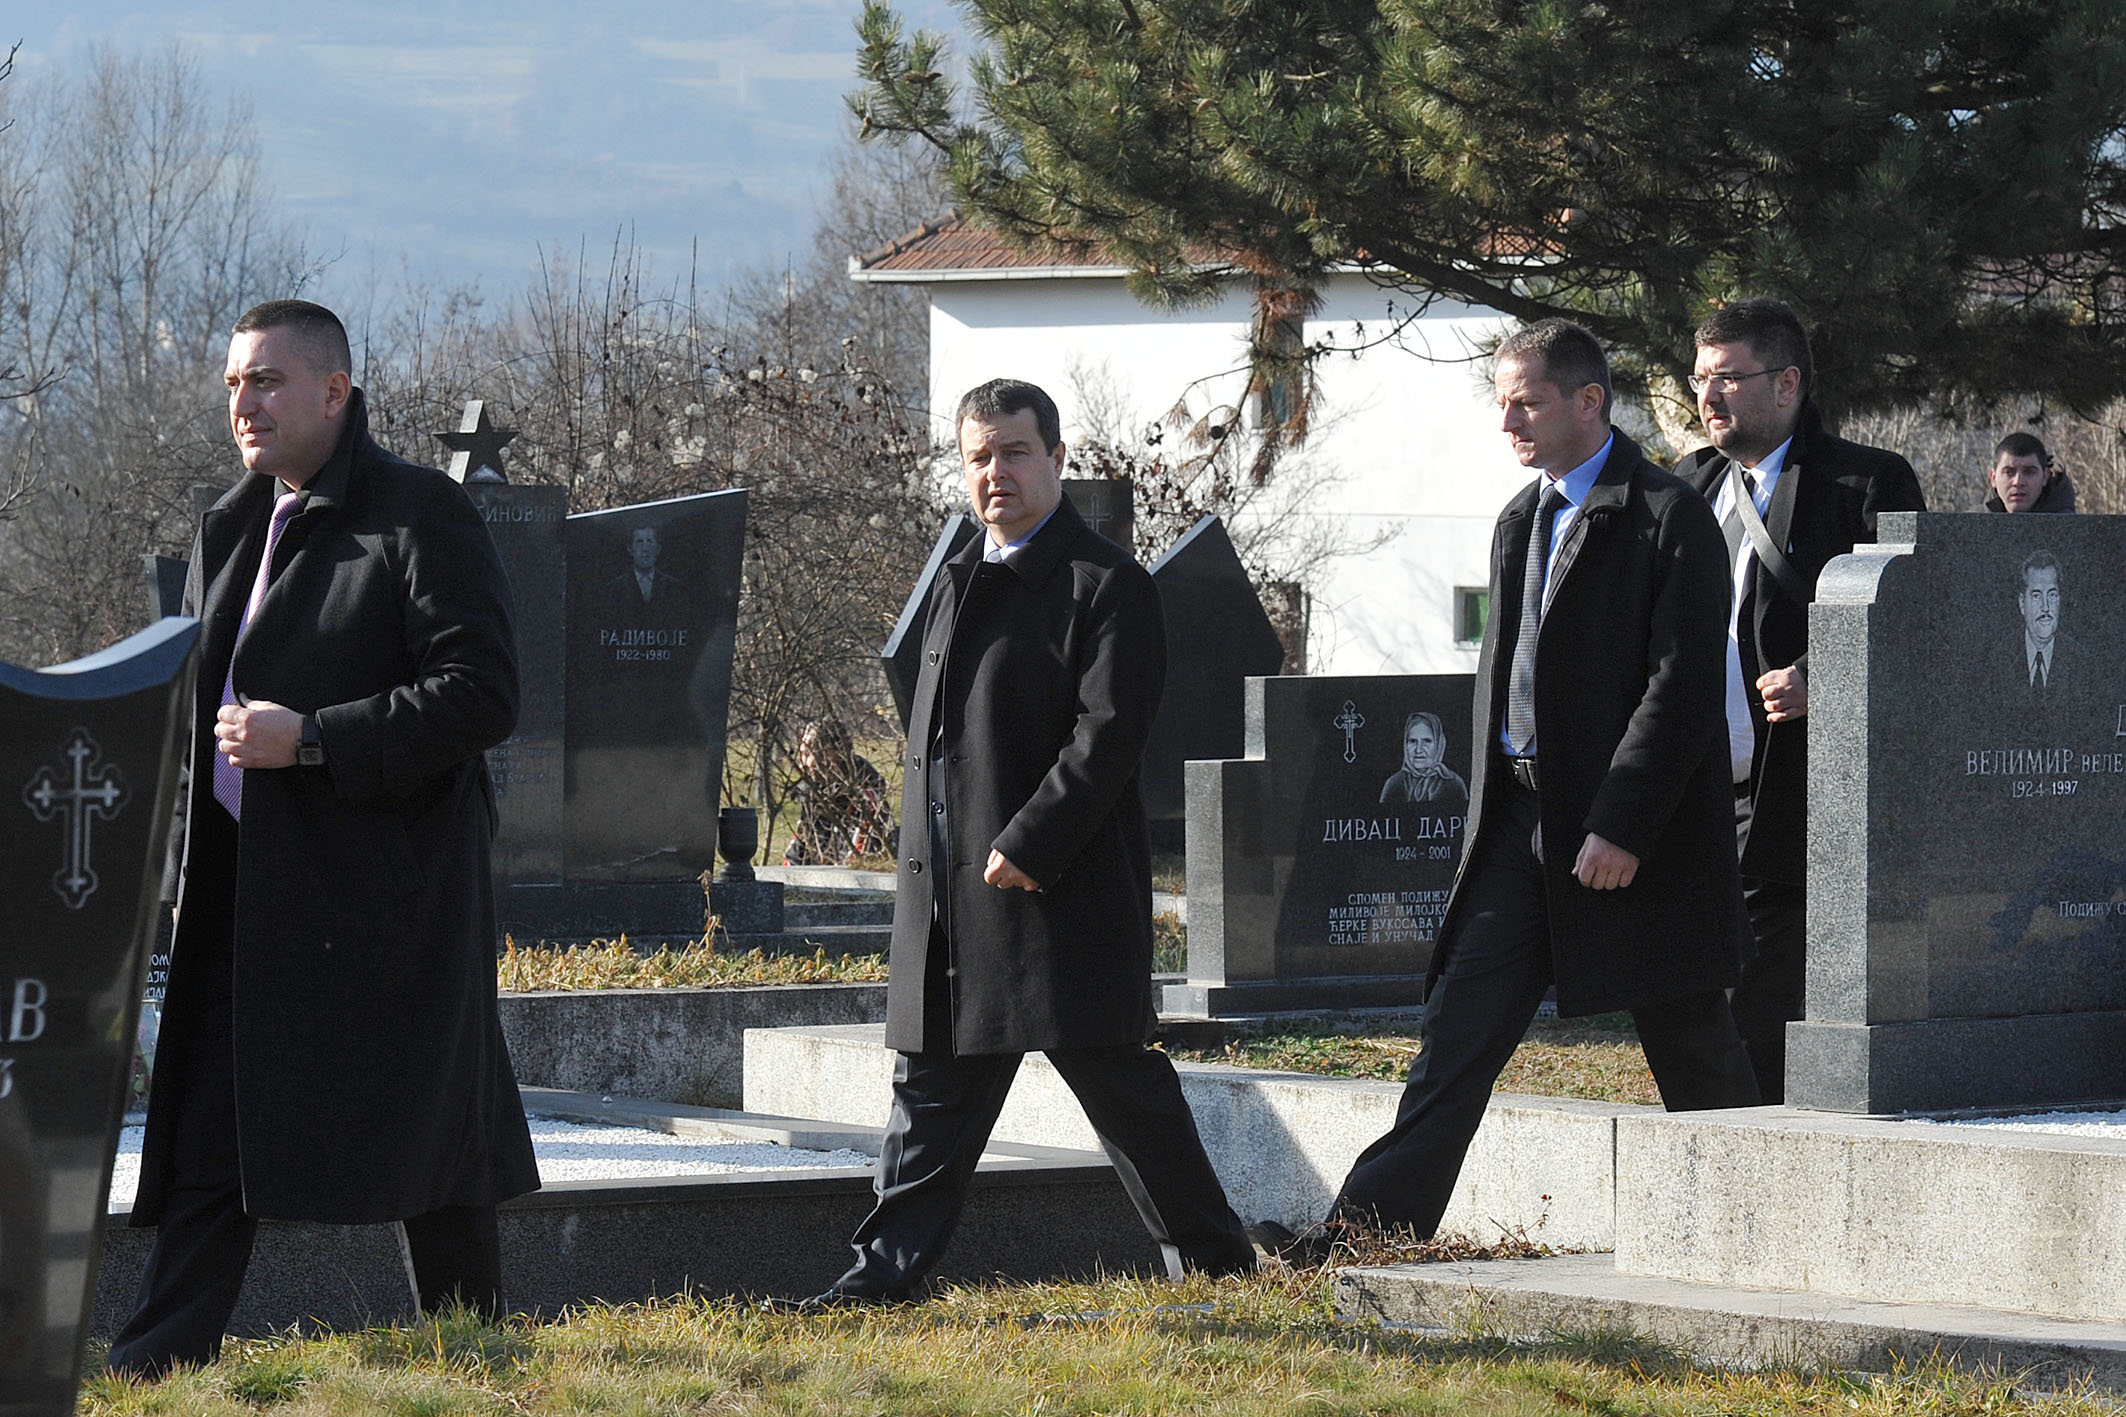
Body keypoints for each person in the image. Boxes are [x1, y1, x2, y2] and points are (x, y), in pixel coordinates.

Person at [1263, 320, 1758, 1258]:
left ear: (1588, 401)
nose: (1508, 423)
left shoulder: (1666, 516)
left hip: (1633, 837)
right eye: (1502, 403)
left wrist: (1623, 822)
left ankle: (1762, 1235)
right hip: (1519, 823)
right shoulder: (1519, 518)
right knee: (1455, 1035)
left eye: (1526, 402)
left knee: (1693, 1042)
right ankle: (1362, 1235)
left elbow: (1683, 686)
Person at [109, 300, 538, 1378]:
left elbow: (481, 693)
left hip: (385, 898)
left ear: (335, 391)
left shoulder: (420, 513)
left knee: (431, 1138)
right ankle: (156, 1361)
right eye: (233, 385)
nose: (243, 404)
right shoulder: (230, 523)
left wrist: (311, 740)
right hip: (243, 893)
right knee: (213, 1125)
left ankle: (473, 1348)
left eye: (266, 381)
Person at [769, 378, 1255, 1310]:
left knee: (1128, 1096)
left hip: (1062, 896)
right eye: (979, 456)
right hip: (955, 907)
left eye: (1016, 452)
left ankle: (1218, 1266)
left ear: (1057, 459)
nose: (997, 472)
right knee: (930, 1100)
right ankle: (880, 1280)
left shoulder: (1107, 584)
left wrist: (1033, 840)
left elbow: (1109, 736)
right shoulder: (957, 577)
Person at [1675, 298, 1925, 1103]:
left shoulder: (1866, 480)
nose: (1708, 396)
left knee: (1752, 1014)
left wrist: (1826, 673)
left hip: (1792, 796)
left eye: (1728, 377)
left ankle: (1748, 1152)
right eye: (1700, 378)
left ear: (1787, 384)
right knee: (1692, 1011)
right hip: (1693, 795)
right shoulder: (1689, 484)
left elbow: (1914, 607)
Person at [782, 718, 897, 865]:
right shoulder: (815, 794)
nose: (802, 764)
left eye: (809, 753)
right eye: (802, 754)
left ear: (833, 753)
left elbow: (859, 862)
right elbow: (798, 853)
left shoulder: (867, 800)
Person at [1377, 711, 1468, 806]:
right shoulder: (1394, 784)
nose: (1418, 750)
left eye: (1427, 741)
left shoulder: (1454, 784)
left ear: (1439, 744)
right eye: (1413, 741)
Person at [1986, 433, 2076, 514]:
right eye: (2008, 472)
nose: (2018, 482)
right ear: (1993, 478)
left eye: (2029, 472)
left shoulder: (2068, 524)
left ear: (2045, 477)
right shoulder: (1978, 520)